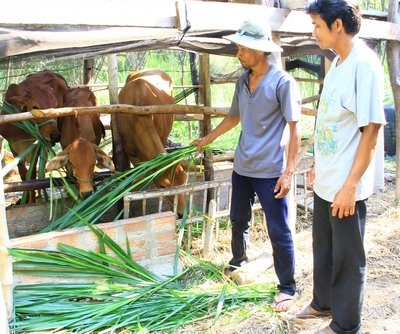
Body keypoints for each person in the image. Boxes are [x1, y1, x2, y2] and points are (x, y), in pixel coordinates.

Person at [192, 19, 301, 312]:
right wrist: (206, 139)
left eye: (242, 48)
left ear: (259, 50)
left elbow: (295, 129)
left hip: (270, 172)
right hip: (242, 167)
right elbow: (234, 117)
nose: (237, 52)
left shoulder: (282, 83)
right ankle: (237, 262)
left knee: (278, 230)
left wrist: (288, 172)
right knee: (239, 220)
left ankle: (288, 287)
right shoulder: (243, 80)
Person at [296, 1, 386, 333]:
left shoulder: (364, 64)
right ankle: (323, 304)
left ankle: (346, 325)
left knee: (348, 258)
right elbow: (332, 121)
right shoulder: (336, 63)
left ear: (337, 25)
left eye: (317, 25)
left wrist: (350, 185)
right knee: (324, 248)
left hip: (347, 183)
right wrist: (319, 163)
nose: (313, 31)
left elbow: (371, 130)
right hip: (328, 179)